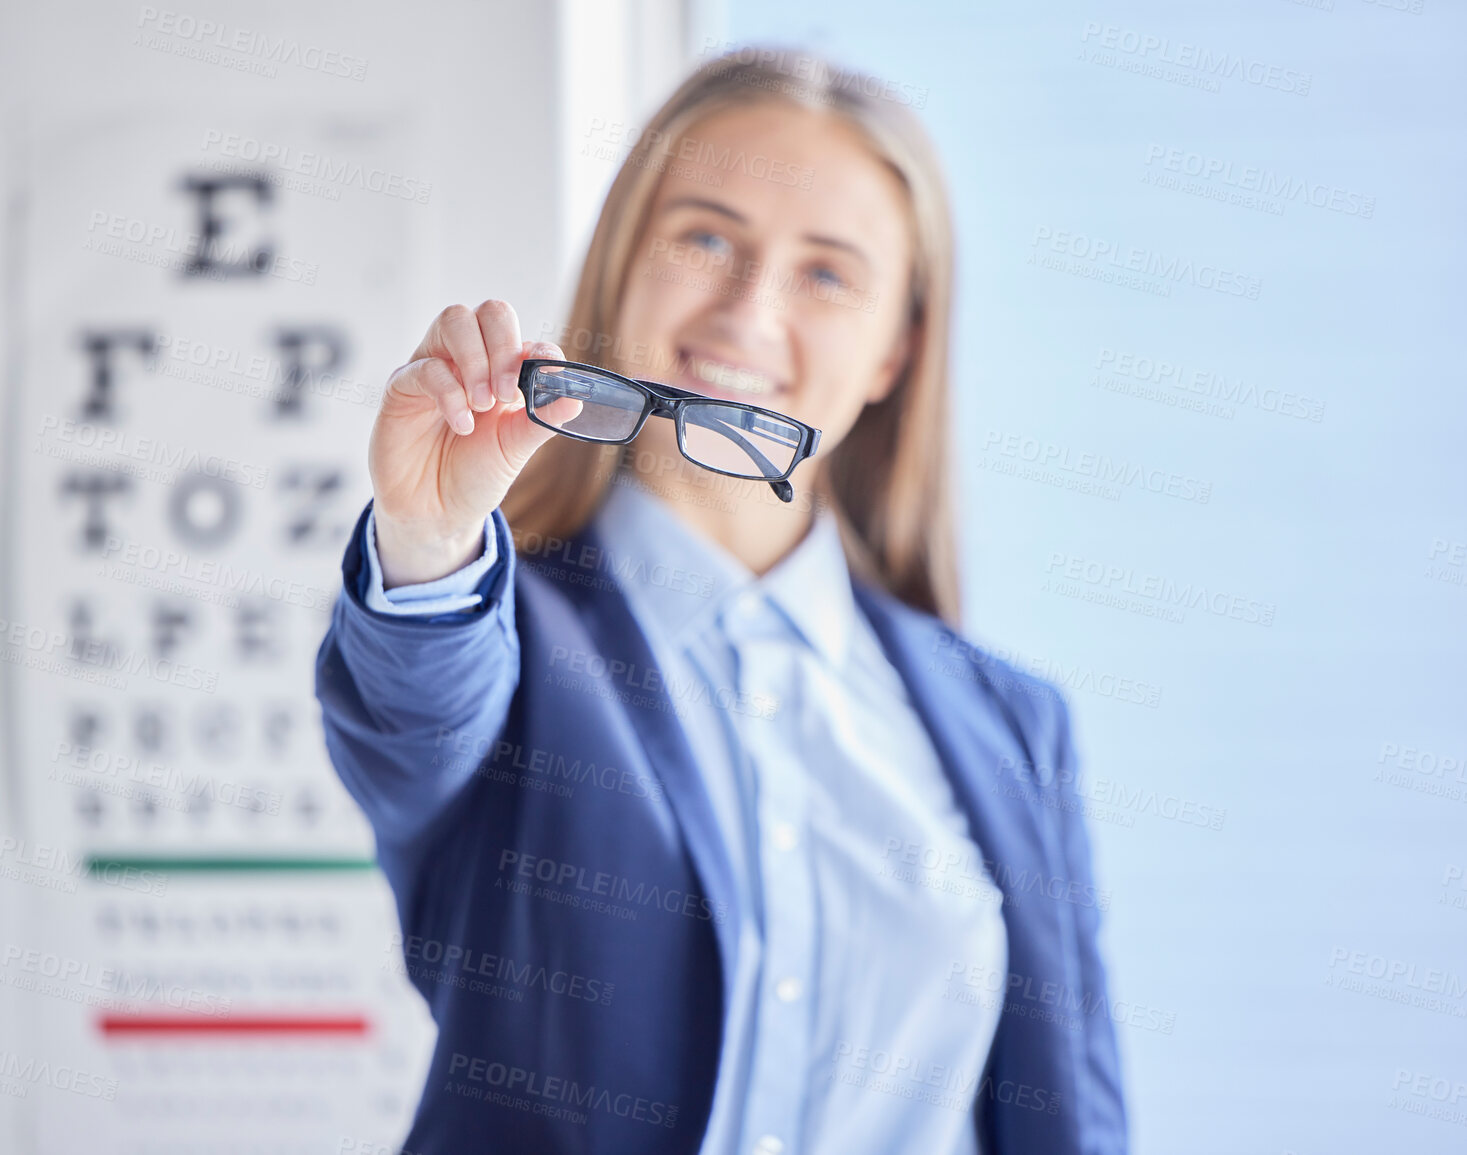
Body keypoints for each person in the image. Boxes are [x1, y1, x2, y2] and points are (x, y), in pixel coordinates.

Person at [315, 47, 1127, 1155]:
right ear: (622, 268)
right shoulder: (503, 640)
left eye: (828, 273)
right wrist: (431, 533)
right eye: (705, 237)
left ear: (897, 350)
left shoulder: (1015, 731)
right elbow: (417, 708)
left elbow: (1071, 1122)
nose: (749, 309)